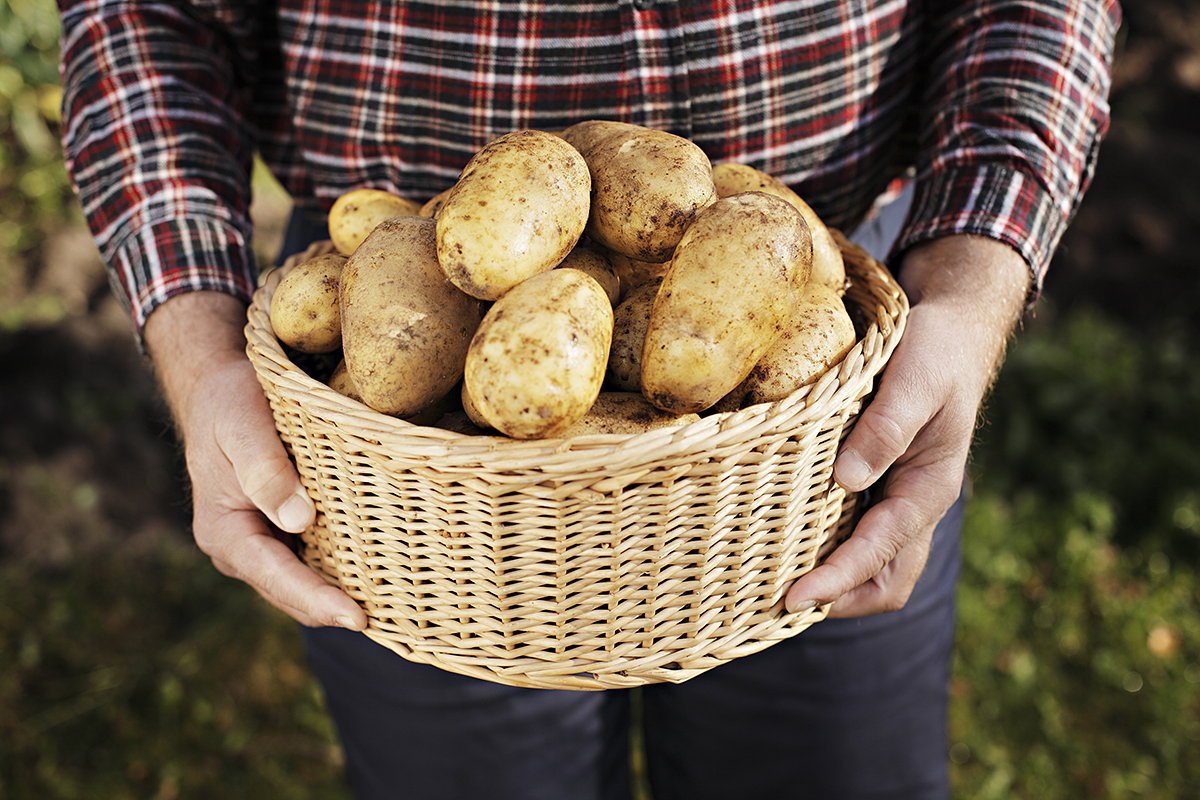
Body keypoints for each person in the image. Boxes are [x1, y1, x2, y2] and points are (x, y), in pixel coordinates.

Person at [58, 2, 1120, 798]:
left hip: (826, 336)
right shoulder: (414, 324)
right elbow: (142, 20)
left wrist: (971, 297)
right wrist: (201, 357)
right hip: (386, 374)